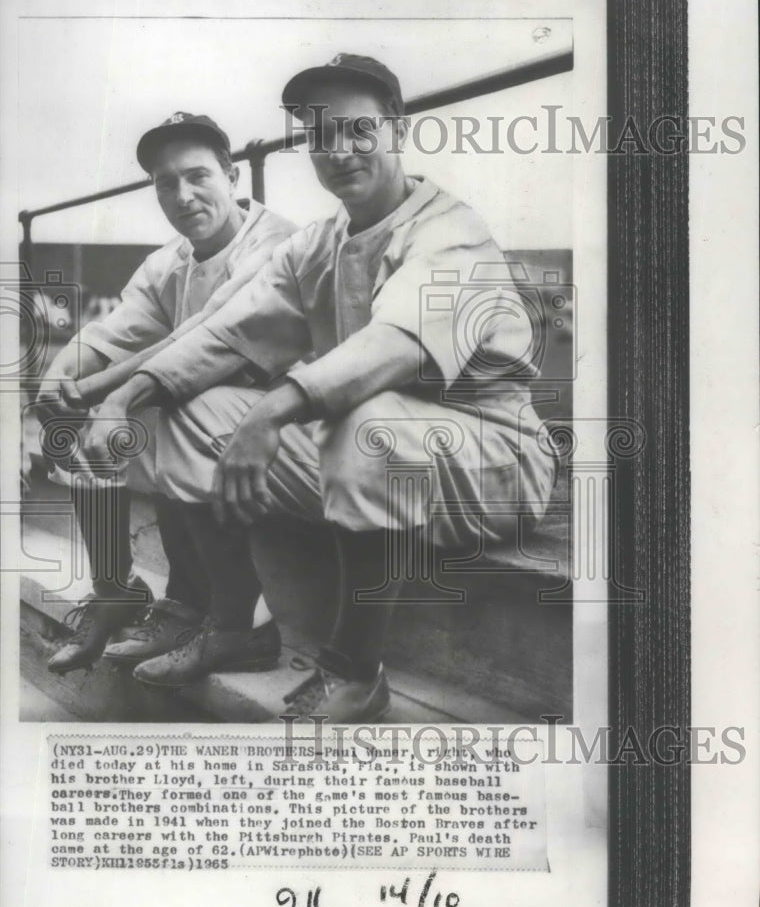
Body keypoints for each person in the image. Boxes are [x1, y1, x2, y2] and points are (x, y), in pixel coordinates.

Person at [84, 55, 556, 719]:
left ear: (397, 126)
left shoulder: (452, 232)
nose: (338, 150)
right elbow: (224, 332)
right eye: (318, 134)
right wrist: (121, 400)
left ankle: (356, 672)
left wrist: (273, 412)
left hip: (494, 461)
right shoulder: (320, 242)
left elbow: (390, 351)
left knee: (365, 419)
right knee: (184, 411)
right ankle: (232, 628)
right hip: (377, 455)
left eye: (359, 129)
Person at [38, 112, 296, 675]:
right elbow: (109, 334)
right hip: (215, 417)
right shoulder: (169, 260)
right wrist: (59, 381)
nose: (183, 195)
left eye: (198, 176)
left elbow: (195, 339)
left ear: (233, 177)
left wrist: (97, 392)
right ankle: (115, 590)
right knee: (81, 422)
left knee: (163, 409)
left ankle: (200, 610)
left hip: (291, 423)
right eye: (165, 184)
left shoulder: (278, 245)